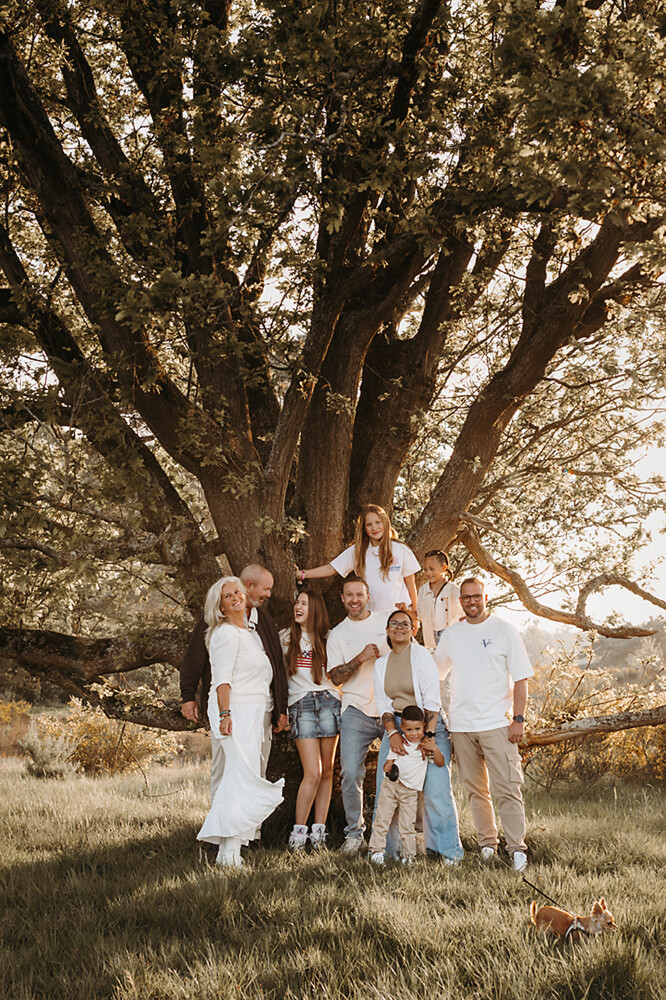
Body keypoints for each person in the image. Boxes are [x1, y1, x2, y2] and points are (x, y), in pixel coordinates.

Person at [433, 576, 534, 872]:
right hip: (462, 726)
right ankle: (488, 845)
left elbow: (521, 678)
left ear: (485, 597)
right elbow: (435, 671)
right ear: (459, 601)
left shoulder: (504, 630)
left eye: (476, 596)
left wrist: (518, 719)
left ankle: (517, 849)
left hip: (497, 724)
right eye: (466, 597)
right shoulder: (452, 635)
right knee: (476, 790)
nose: (471, 601)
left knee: (507, 789)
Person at [180, 564, 289, 806]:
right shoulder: (215, 624)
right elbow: (194, 659)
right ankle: (220, 830)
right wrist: (188, 696)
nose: (269, 594)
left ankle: (251, 834)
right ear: (249, 586)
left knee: (256, 768)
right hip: (230, 707)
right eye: (266, 588)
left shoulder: (264, 621)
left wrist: (281, 708)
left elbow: (276, 667)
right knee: (225, 767)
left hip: (262, 708)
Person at [196, 577, 284, 866]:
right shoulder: (224, 634)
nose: (235, 597)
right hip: (236, 711)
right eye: (227, 596)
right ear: (220, 607)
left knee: (242, 778)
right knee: (238, 779)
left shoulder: (247, 633)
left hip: (254, 711)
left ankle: (230, 848)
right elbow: (221, 680)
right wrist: (225, 715)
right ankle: (228, 852)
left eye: (237, 592)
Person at [373, 608, 464, 863]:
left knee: (436, 791)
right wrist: (392, 733)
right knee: (387, 789)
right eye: (394, 624)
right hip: (398, 727)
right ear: (388, 629)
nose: (399, 628)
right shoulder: (381, 664)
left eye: (405, 624)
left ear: (413, 630)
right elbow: (383, 704)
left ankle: (448, 852)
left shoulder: (422, 656)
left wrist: (429, 737)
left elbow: (432, 700)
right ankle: (385, 851)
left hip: (428, 725)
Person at [325, 574, 390, 853]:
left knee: (393, 773)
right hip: (355, 709)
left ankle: (388, 834)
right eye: (349, 595)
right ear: (342, 598)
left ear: (367, 597)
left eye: (359, 595)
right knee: (351, 772)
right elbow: (335, 677)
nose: (354, 600)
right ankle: (354, 835)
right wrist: (360, 658)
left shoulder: (386, 621)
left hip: (390, 708)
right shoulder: (338, 634)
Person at [279, 590, 340, 850]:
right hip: (301, 704)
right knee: (312, 772)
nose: (298, 607)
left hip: (328, 701)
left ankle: (319, 832)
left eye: (304, 603)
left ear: (315, 608)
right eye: (297, 602)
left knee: (327, 771)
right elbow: (279, 678)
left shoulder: (329, 638)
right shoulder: (285, 637)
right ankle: (298, 832)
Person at [296, 504, 420, 613]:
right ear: (364, 529)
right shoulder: (358, 551)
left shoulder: (400, 549)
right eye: (369, 524)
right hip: (370, 615)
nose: (374, 528)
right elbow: (332, 568)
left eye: (378, 522)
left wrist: (415, 615)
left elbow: (410, 584)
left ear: (385, 523)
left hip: (398, 614)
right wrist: (303, 574)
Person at [368, 704, 445, 865]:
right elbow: (388, 764)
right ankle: (376, 852)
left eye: (418, 729)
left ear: (424, 727)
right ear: (402, 728)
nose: (414, 734)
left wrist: (434, 748)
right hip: (391, 787)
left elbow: (440, 762)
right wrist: (389, 767)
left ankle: (408, 856)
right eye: (409, 730)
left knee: (407, 825)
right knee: (382, 819)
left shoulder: (424, 747)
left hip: (410, 792)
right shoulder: (399, 744)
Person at [416, 550, 463, 651]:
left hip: (449, 637)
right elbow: (419, 615)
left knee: (450, 664)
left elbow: (463, 615)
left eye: (432, 569)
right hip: (430, 639)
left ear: (444, 568)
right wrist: (405, 611)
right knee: (435, 664)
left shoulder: (453, 589)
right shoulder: (423, 590)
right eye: (425, 569)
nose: (428, 573)